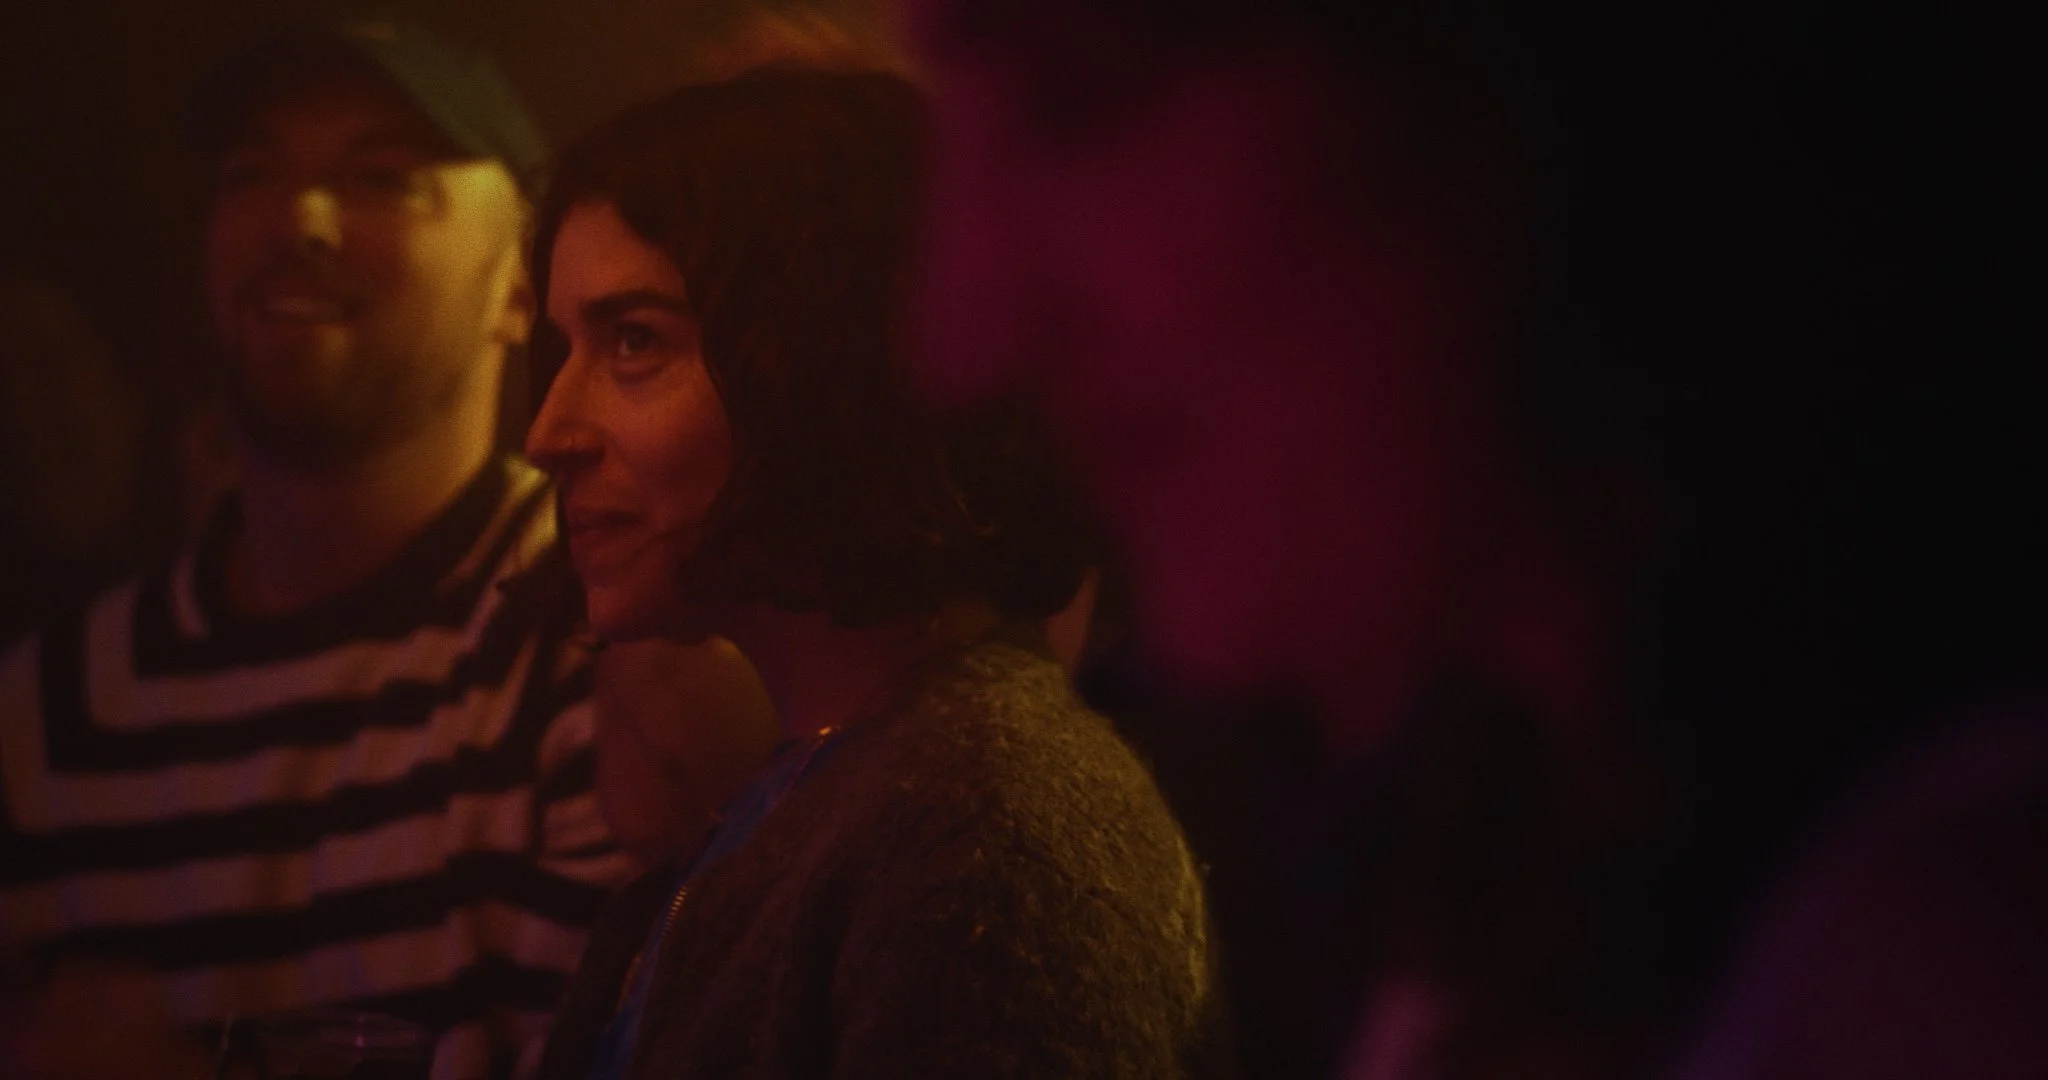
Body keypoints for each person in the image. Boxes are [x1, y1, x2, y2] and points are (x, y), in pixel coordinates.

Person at [520, 67, 1225, 1079]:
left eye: (634, 343)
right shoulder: (840, 788)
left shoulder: (984, 832)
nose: (548, 433)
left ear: (829, 356)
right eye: (564, 346)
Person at [0, 21, 632, 1078]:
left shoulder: (598, 639)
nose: (299, 217)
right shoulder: (48, 718)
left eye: (382, 177)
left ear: (521, 288)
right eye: (253, 171)